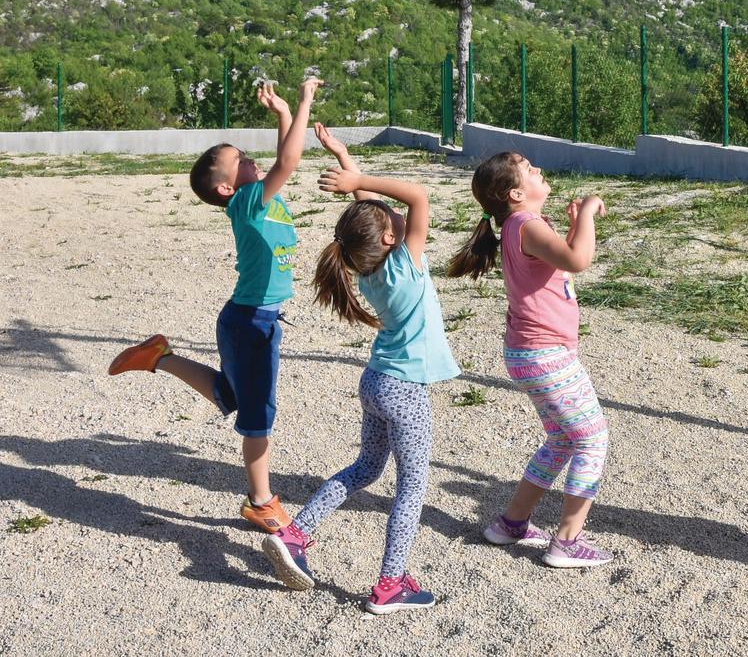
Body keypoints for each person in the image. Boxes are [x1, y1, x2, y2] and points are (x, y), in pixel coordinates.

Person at [106, 75, 319, 533]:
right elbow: (290, 160)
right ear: (226, 188)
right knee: (257, 416)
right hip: (251, 324)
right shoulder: (247, 203)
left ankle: (159, 357)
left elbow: (281, 161)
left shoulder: (261, 198)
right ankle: (261, 501)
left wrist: (283, 115)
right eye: (238, 160)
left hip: (250, 321)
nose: (249, 159)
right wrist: (301, 103)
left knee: (234, 395)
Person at [260, 124, 458, 614]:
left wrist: (346, 160)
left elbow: (372, 211)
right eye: (389, 219)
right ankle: (391, 584)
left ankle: (296, 534)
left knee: (366, 468)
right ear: (390, 236)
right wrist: (359, 179)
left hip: (375, 383)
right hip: (404, 391)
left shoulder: (367, 267)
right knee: (410, 488)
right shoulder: (405, 264)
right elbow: (417, 195)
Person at [447, 151, 613, 568]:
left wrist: (574, 226)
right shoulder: (527, 224)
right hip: (545, 354)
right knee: (592, 439)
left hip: (530, 353)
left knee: (562, 440)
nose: (538, 168)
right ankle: (567, 541)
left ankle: (511, 523)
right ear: (516, 193)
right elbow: (579, 260)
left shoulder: (520, 225)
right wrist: (588, 213)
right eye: (528, 168)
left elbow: (562, 261)